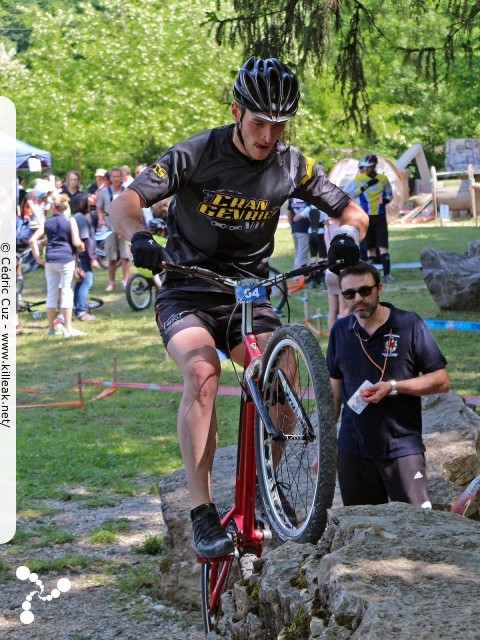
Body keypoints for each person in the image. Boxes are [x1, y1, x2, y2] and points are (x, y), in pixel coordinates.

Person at [111, 56, 368, 558]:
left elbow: (352, 211)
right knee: (203, 372)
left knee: (283, 384)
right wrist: (138, 236)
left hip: (248, 293)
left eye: (279, 124)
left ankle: (265, 486)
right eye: (258, 122)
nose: (268, 134)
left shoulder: (293, 164)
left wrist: (348, 237)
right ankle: (202, 511)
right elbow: (124, 202)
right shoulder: (197, 153)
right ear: (236, 111)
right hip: (187, 288)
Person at [326, 261, 450, 508]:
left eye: (365, 291)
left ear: (379, 288)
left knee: (417, 527)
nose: (358, 299)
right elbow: (334, 394)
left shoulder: (409, 324)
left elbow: (441, 380)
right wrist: (327, 443)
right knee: (361, 530)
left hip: (401, 449)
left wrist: (393, 387)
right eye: (349, 294)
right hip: (353, 450)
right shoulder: (340, 330)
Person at [29, 194, 86, 337]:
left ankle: (51, 329)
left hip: (50, 260)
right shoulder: (70, 220)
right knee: (67, 292)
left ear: (53, 207)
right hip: (66, 259)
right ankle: (68, 329)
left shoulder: (46, 223)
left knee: (51, 294)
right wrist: (82, 246)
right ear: (64, 207)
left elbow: (33, 240)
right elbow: (76, 242)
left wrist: (38, 259)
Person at [345, 154, 394, 283]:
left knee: (383, 247)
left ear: (374, 166)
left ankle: (387, 274)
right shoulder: (358, 179)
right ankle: (373, 277)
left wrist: (384, 199)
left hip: (380, 217)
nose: (367, 169)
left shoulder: (383, 179)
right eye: (365, 167)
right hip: (365, 218)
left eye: (370, 167)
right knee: (370, 249)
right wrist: (365, 187)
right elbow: (351, 194)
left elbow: (390, 195)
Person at [96, 167, 131, 291]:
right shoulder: (104, 192)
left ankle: (126, 280)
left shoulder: (126, 191)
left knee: (126, 255)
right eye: (114, 176)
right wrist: (100, 218)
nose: (116, 179)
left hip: (124, 227)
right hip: (109, 227)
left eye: (118, 176)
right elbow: (98, 207)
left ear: (122, 178)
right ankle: (111, 282)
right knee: (111, 256)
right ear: (110, 178)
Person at [71, 194, 98, 321]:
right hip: (83, 255)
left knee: (80, 282)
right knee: (87, 282)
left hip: (78, 256)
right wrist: (92, 258)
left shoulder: (76, 217)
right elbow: (86, 240)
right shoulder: (81, 218)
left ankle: (77, 308)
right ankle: (81, 311)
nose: (89, 205)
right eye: (86, 202)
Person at [324, 218, 348, 330]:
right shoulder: (345, 230)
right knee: (344, 310)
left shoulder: (328, 229)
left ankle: (332, 337)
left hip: (329, 271)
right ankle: (342, 337)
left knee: (332, 310)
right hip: (341, 272)